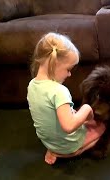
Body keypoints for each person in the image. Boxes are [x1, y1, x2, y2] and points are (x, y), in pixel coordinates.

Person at [27, 32, 105, 165]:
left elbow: (48, 114)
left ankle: (53, 149)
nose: (69, 74)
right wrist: (86, 109)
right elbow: (69, 127)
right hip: (67, 145)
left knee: (75, 117)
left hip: (48, 142)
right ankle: (70, 152)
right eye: (68, 69)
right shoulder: (59, 91)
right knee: (101, 128)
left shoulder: (32, 85)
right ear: (54, 63)